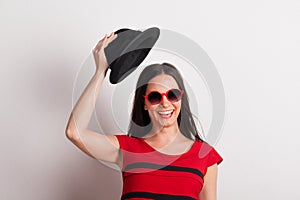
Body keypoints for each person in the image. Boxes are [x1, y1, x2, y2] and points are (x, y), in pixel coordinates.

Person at [65, 32, 223, 200]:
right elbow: (75, 133)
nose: (165, 103)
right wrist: (100, 72)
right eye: (155, 97)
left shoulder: (205, 156)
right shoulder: (126, 149)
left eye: (172, 95)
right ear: (145, 104)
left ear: (181, 98)